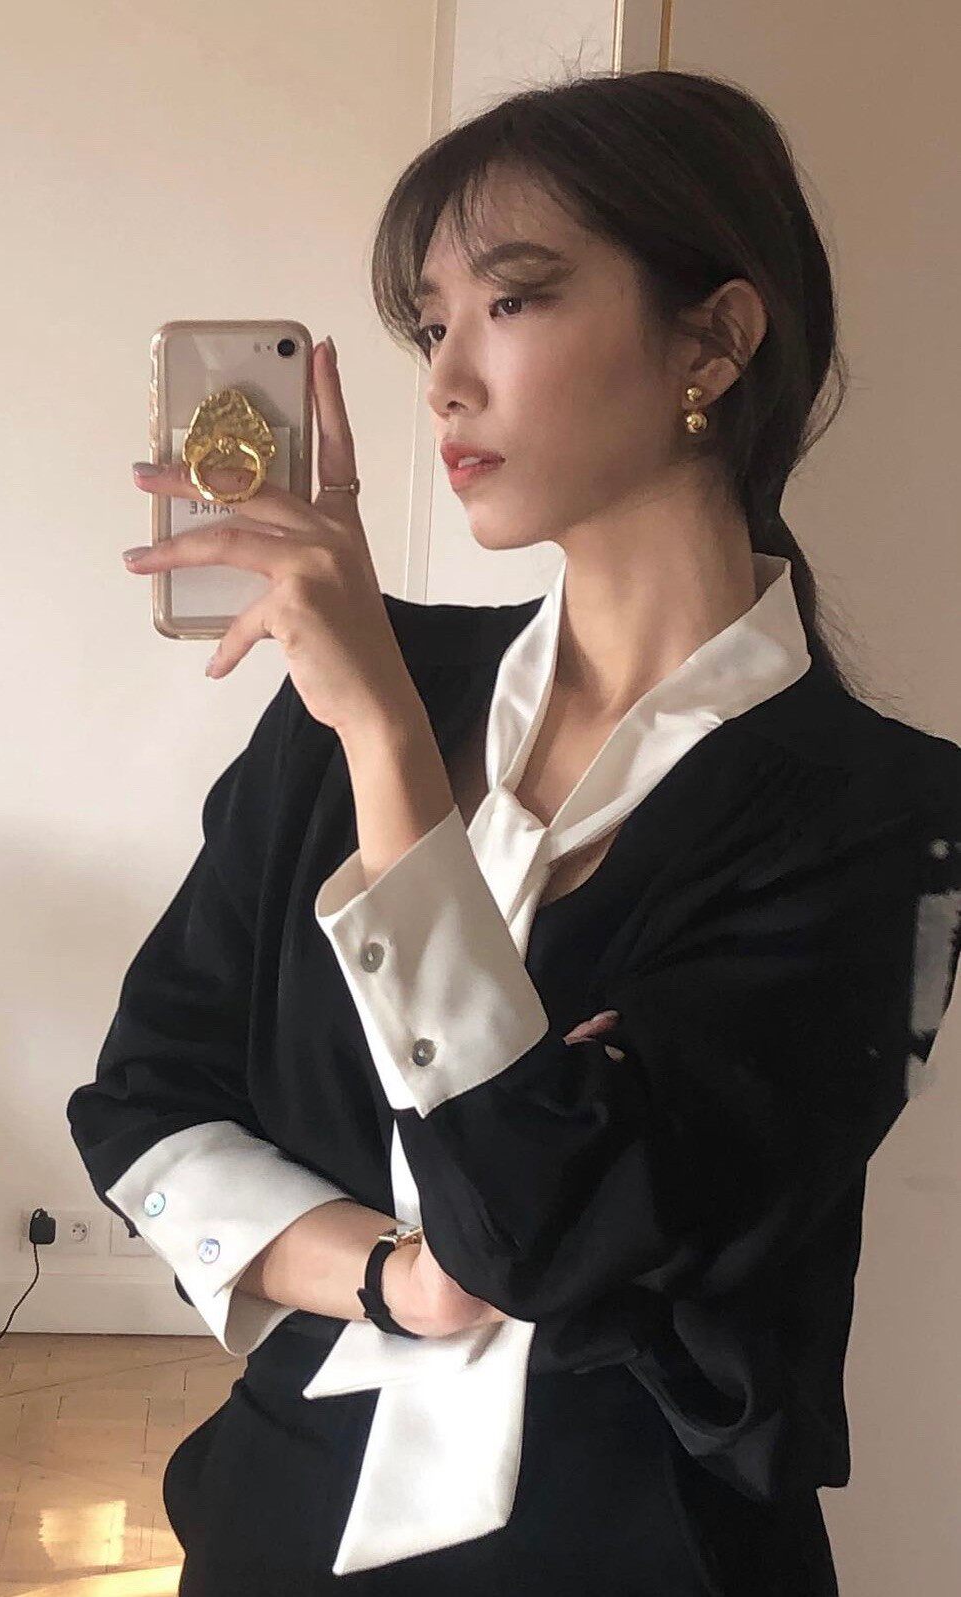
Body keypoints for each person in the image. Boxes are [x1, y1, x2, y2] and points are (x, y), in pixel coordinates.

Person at [67, 68, 961, 1596]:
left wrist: (393, 756)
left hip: (640, 1552)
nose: (446, 381)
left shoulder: (886, 820)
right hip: (281, 1522)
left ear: (713, 340)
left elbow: (545, 1225)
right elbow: (145, 1098)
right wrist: (391, 1279)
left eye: (515, 300)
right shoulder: (361, 686)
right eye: (432, 325)